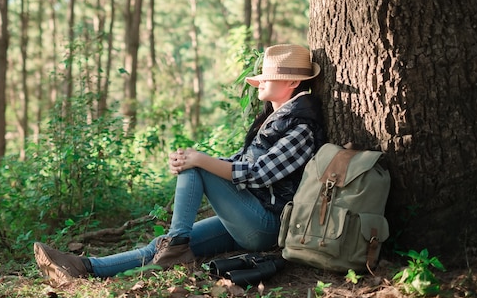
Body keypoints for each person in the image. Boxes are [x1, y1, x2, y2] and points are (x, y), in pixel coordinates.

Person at [34, 44, 325, 285]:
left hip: (265, 224)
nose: (260, 80)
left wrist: (198, 161)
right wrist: (193, 159)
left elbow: (258, 174)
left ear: (292, 82)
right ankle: (83, 267)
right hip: (248, 213)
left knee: (196, 169)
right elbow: (238, 161)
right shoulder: (273, 119)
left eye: (268, 76)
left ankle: (176, 248)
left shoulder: (301, 127)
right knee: (164, 242)